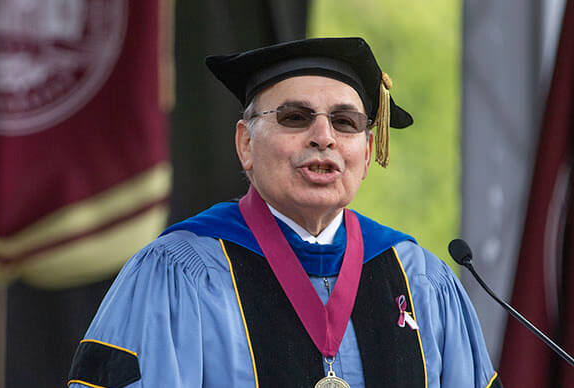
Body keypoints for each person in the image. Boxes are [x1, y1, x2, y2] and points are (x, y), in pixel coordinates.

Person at [66, 37, 502, 388]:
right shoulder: (178, 274)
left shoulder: (422, 281)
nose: (323, 137)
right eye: (296, 117)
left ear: (367, 153)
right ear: (245, 145)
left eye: (346, 123)